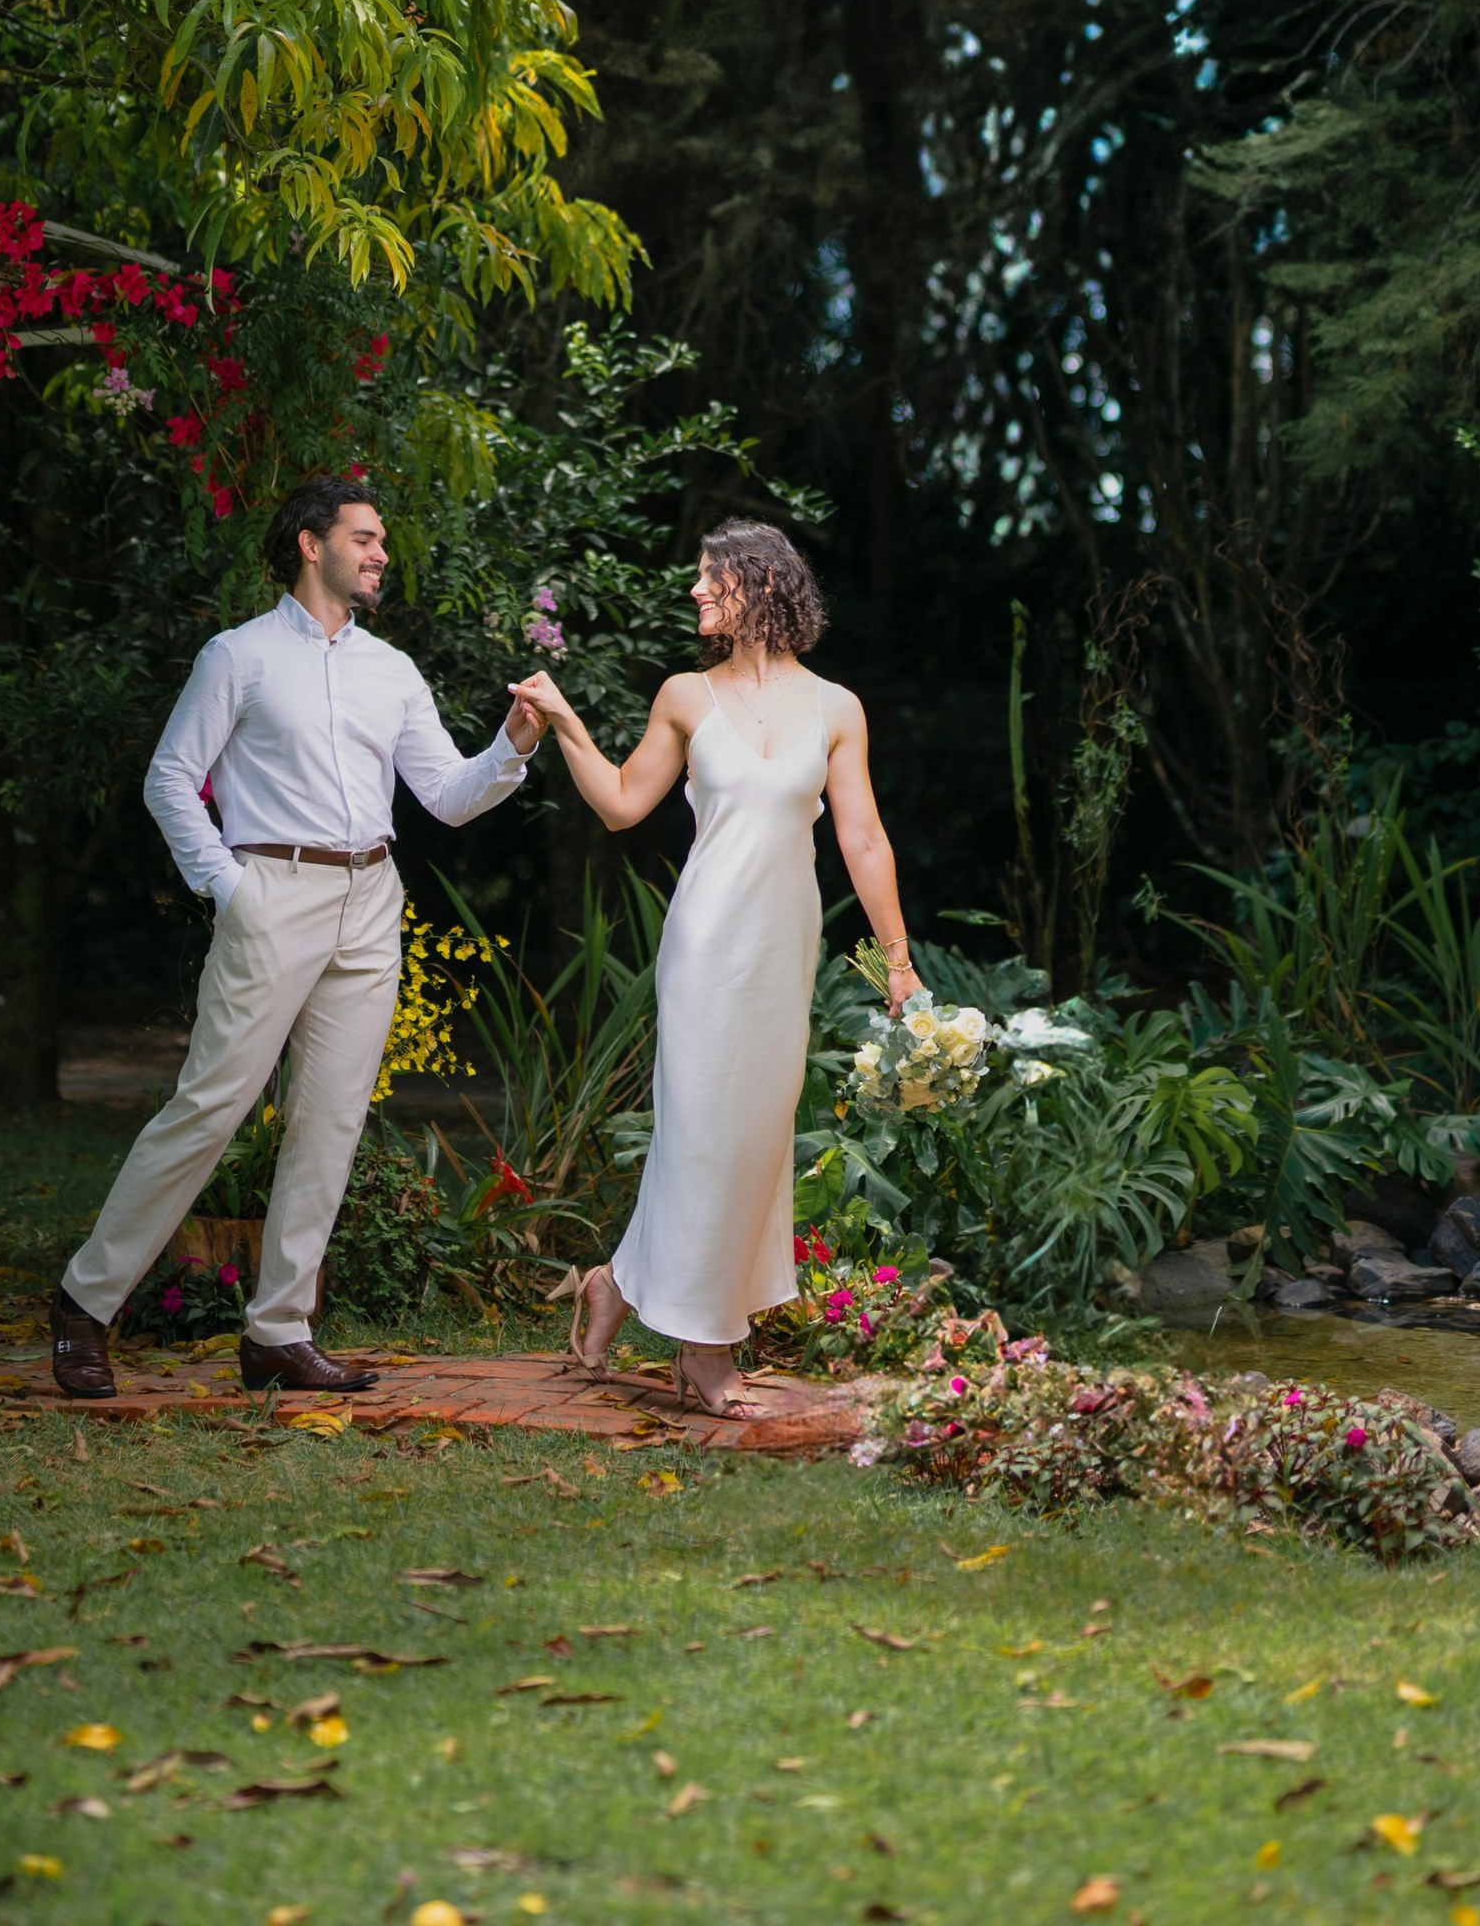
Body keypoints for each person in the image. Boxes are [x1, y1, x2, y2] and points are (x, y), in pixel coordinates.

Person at [51, 475, 545, 1402]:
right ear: (310, 544)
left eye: (382, 541)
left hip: (372, 898)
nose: (380, 554)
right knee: (210, 1107)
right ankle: (84, 1303)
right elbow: (171, 778)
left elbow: (445, 793)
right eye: (364, 537)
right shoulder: (236, 656)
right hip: (271, 890)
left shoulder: (390, 669)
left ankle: (278, 1332)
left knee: (330, 1122)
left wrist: (512, 743)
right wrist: (231, 889)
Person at [508, 517, 919, 1417]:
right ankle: (704, 1352)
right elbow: (621, 804)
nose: (695, 592)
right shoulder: (685, 696)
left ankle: (613, 1285)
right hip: (703, 945)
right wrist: (570, 723)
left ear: (762, 584)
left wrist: (898, 962)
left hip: (783, 949)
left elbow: (862, 837)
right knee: (697, 1133)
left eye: (710, 578)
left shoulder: (836, 708)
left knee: (750, 1143)